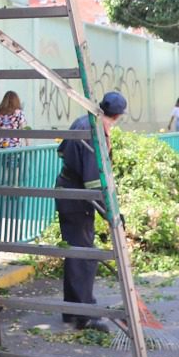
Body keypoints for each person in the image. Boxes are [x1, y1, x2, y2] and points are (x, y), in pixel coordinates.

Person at [56, 91, 127, 332]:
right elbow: (94, 182)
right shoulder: (95, 132)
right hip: (77, 196)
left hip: (68, 190)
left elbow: (62, 150)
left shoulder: (83, 120)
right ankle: (85, 314)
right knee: (85, 255)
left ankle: (71, 311)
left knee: (75, 251)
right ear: (117, 116)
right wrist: (112, 213)